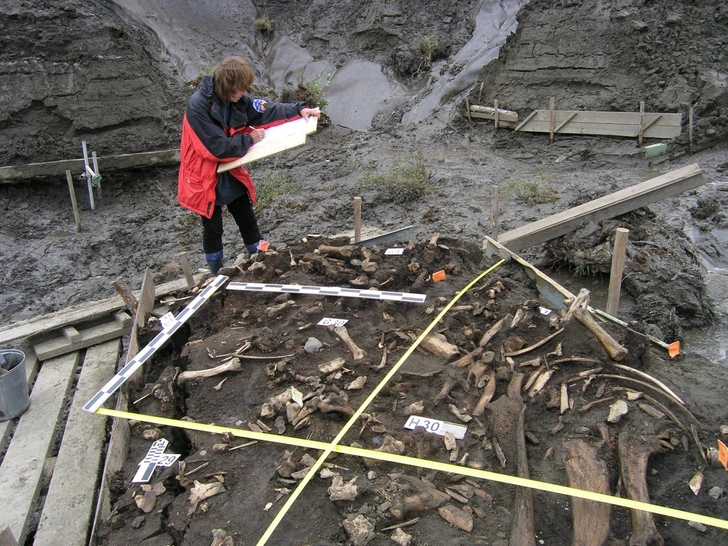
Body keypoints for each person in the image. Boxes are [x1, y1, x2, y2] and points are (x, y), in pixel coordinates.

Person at [178, 56, 320, 275]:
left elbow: (266, 110)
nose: (244, 93)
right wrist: (249, 139)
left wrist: (299, 110)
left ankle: (260, 259)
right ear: (227, 86)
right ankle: (216, 273)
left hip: (231, 168)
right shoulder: (197, 106)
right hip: (204, 175)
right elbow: (217, 148)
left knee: (246, 216)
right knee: (213, 229)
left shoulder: (237, 99)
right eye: (240, 89)